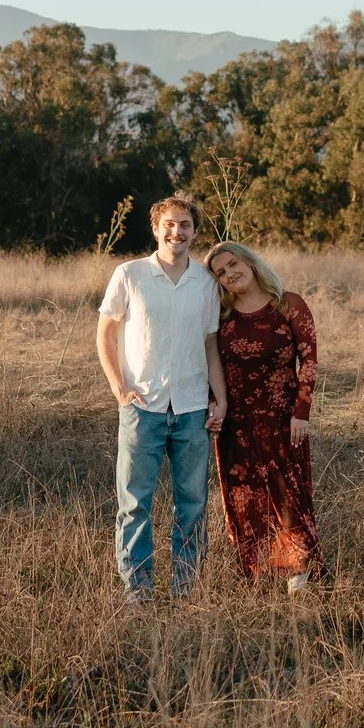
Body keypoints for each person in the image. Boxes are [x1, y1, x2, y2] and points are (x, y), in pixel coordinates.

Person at [96, 193, 226, 602]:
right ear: (155, 229)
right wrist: (119, 387)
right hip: (142, 407)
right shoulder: (130, 274)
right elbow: (105, 334)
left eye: (185, 225)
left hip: (191, 408)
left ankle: (186, 588)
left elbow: (211, 345)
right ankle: (138, 590)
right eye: (169, 224)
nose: (177, 232)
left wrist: (220, 399)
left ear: (195, 232)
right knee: (135, 503)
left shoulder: (206, 282)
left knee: (193, 503)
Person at [205, 240, 324, 593]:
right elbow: (211, 366)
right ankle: (261, 574)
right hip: (236, 425)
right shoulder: (221, 316)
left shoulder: (288, 304)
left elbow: (309, 360)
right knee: (246, 499)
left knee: (289, 495)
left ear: (250, 262)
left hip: (283, 420)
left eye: (233, 264)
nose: (230, 274)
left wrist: (301, 412)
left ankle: (300, 571)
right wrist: (214, 405)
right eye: (221, 272)